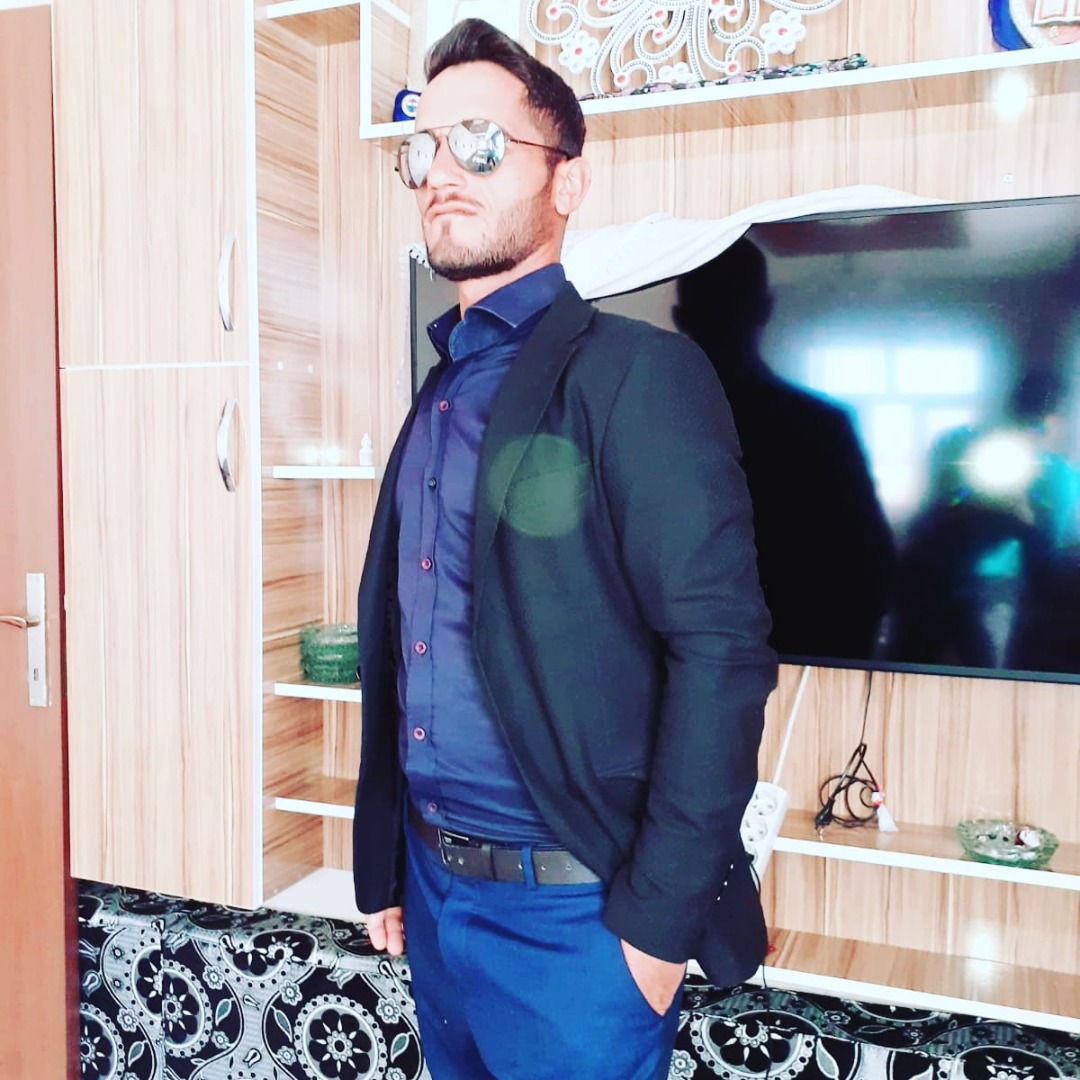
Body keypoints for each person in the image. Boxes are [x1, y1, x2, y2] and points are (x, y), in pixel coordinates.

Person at [352, 19, 777, 1080]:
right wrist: (389, 862)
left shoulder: (638, 376)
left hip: (580, 923)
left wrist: (655, 933)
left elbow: (721, 651)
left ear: (568, 183)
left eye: (481, 143)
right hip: (435, 900)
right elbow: (409, 641)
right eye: (425, 148)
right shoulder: (440, 392)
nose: (442, 172)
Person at [673, 239, 896, 661]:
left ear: (680, 318)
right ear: (765, 308)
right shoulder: (821, 426)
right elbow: (872, 567)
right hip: (804, 654)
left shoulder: (637, 426)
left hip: (674, 669)